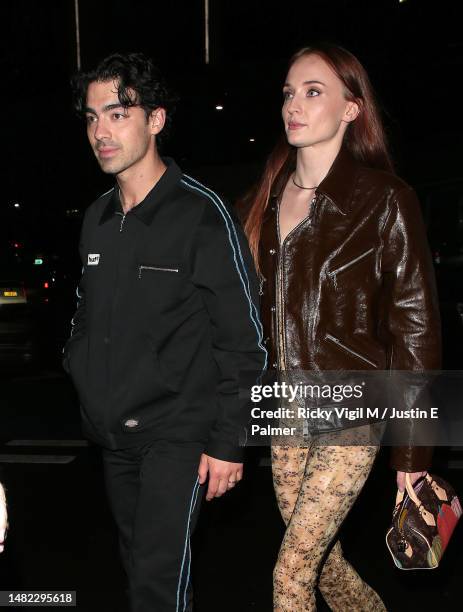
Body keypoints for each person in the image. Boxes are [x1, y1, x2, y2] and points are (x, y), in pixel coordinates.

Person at [242, 43, 441, 611]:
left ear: (352, 109)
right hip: (285, 411)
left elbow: (415, 332)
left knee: (289, 576)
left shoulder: (385, 201)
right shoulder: (265, 200)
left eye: (313, 92)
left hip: (352, 412)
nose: (293, 106)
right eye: (288, 93)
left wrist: (411, 455)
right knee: (324, 567)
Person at [65, 52, 266, 612]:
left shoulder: (202, 214)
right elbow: (85, 314)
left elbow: (242, 339)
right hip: (112, 433)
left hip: (178, 432)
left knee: (156, 583)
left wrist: (228, 442)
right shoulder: (97, 218)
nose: (100, 131)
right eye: (90, 117)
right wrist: (78, 366)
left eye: (116, 113)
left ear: (155, 119)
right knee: (146, 573)